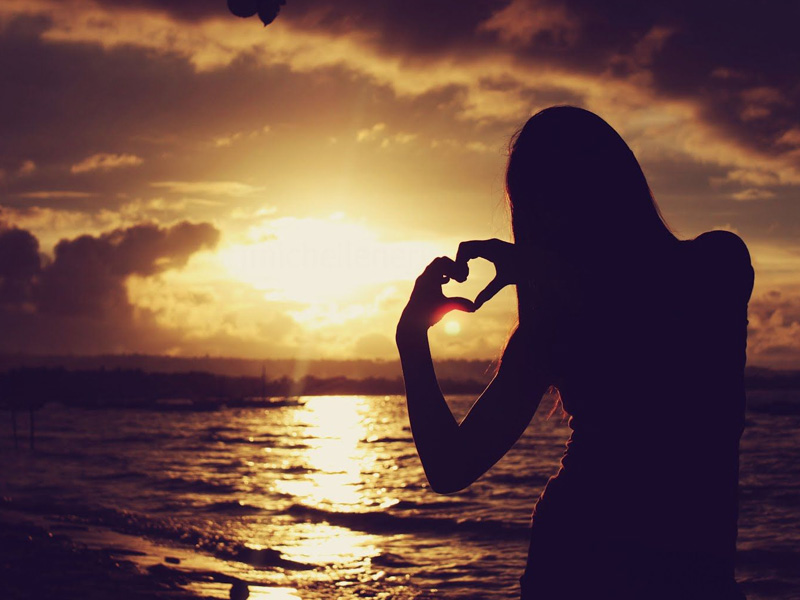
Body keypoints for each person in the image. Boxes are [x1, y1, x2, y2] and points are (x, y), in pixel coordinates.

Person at [395, 106, 754, 599]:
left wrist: (538, 268)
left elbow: (648, 312)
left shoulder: (714, 262)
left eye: (555, 199)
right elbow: (450, 466)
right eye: (535, 206)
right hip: (574, 567)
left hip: (677, 573)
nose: (546, 220)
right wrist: (411, 338)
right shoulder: (547, 326)